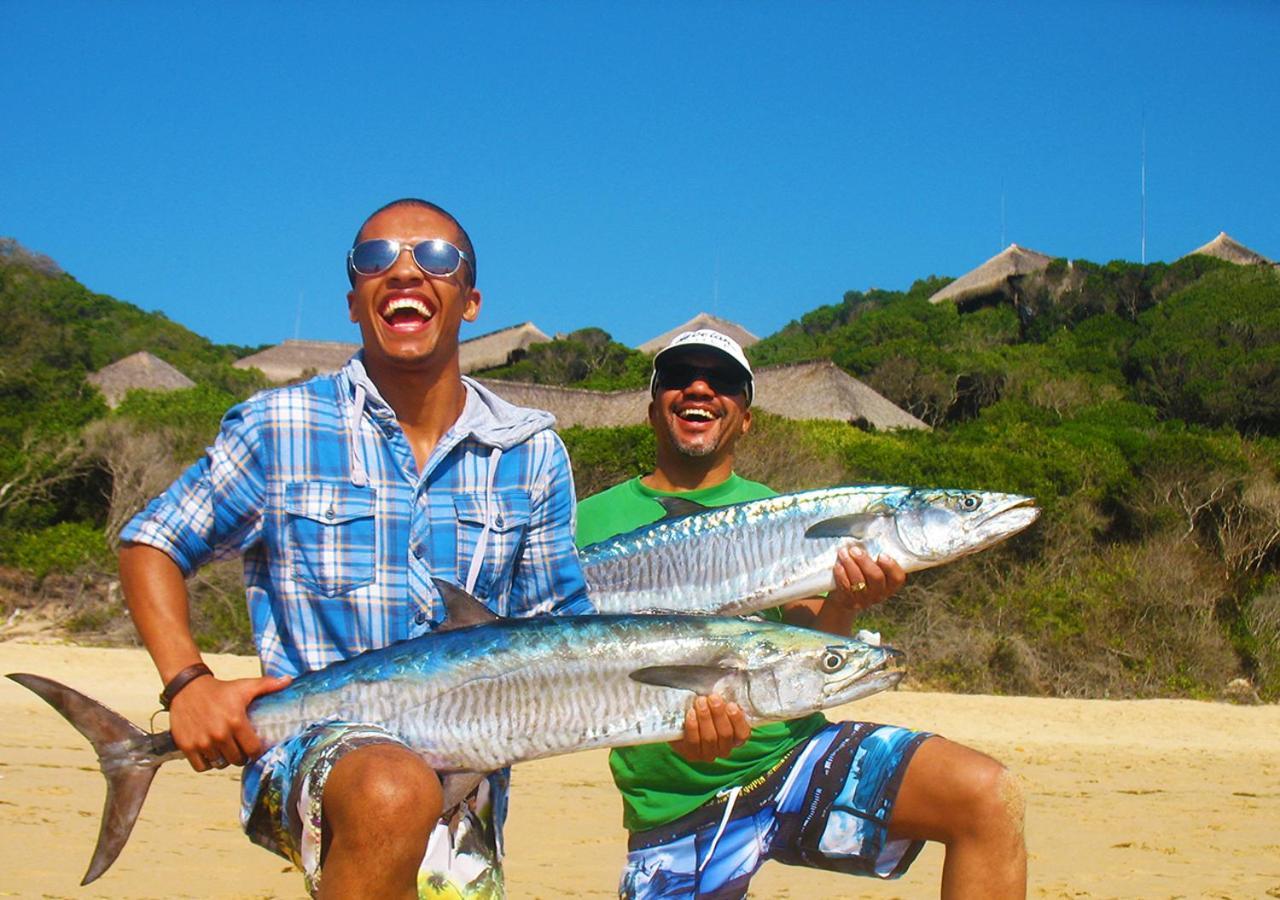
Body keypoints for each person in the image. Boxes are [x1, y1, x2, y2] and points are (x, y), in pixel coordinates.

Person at [118, 198, 593, 900]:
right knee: (391, 786)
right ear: (352, 301)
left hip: (468, 775)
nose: (404, 271)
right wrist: (188, 683)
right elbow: (150, 543)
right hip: (311, 750)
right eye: (377, 258)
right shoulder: (278, 427)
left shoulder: (531, 452)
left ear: (470, 301)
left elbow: (564, 628)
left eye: (435, 257)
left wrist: (686, 710)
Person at [576, 329, 1027, 899]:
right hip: (676, 801)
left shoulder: (776, 510)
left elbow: (816, 646)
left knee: (987, 796)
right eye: (678, 376)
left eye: (724, 382)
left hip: (796, 760)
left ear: (746, 419)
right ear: (652, 408)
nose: (699, 388)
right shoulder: (582, 525)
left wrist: (845, 600)